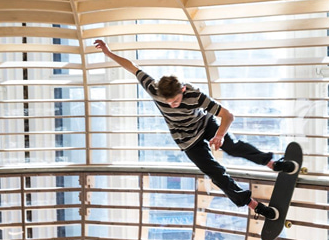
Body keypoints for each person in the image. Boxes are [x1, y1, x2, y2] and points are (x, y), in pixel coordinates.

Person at [93, 39, 297, 220]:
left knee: (232, 146)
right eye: (168, 102)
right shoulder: (154, 89)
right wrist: (108, 52)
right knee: (215, 173)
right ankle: (253, 205)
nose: (172, 104)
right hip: (186, 140)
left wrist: (219, 135)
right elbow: (132, 67)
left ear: (182, 90)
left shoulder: (194, 96)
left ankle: (271, 163)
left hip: (205, 125)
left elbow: (228, 115)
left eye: (176, 100)